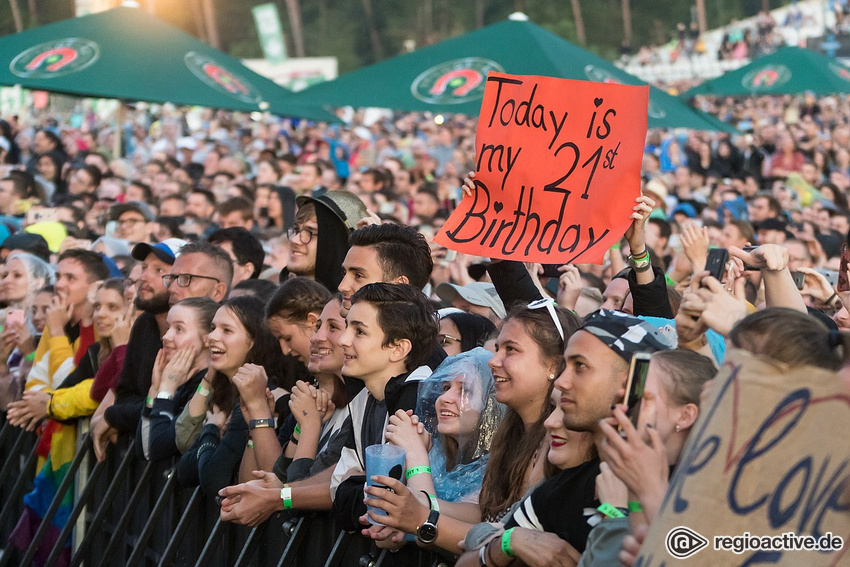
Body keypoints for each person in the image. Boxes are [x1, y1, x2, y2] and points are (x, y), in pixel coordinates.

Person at [362, 347, 505, 552]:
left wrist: (416, 455)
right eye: (445, 387)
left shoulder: (499, 470)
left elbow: (425, 516)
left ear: (491, 404)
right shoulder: (438, 455)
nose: (445, 398)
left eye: (464, 390)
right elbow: (382, 537)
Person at [176, 295, 279, 496]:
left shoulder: (261, 395)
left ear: (253, 341)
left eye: (227, 330)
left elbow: (214, 479)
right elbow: (185, 471)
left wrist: (211, 428)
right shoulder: (224, 392)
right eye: (213, 328)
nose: (212, 337)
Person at [136, 297, 218, 461]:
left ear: (206, 339)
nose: (166, 336)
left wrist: (166, 390)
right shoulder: (179, 380)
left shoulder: (209, 385)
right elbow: (144, 451)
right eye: (167, 328)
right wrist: (155, 390)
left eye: (179, 329)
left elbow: (159, 449)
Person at [286, 190, 367, 292]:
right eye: (296, 230)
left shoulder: (351, 305)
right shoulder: (274, 298)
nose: (294, 240)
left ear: (337, 242)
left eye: (310, 232)